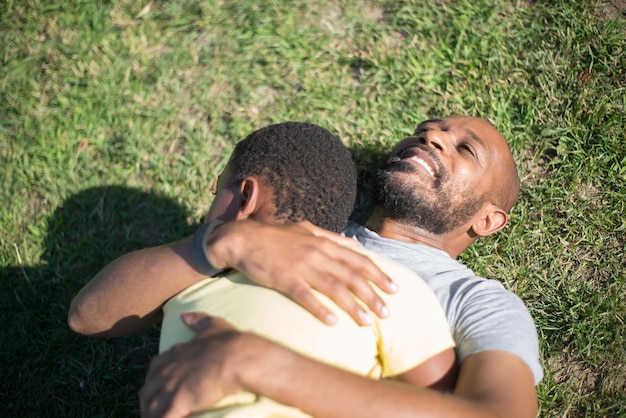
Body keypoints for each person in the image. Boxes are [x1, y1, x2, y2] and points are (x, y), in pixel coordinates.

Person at [71, 116, 543, 418]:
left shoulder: (479, 302)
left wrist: (260, 366)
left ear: (488, 220)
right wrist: (222, 244)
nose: (432, 136)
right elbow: (89, 316)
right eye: (426, 130)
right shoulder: (277, 227)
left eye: (465, 149)